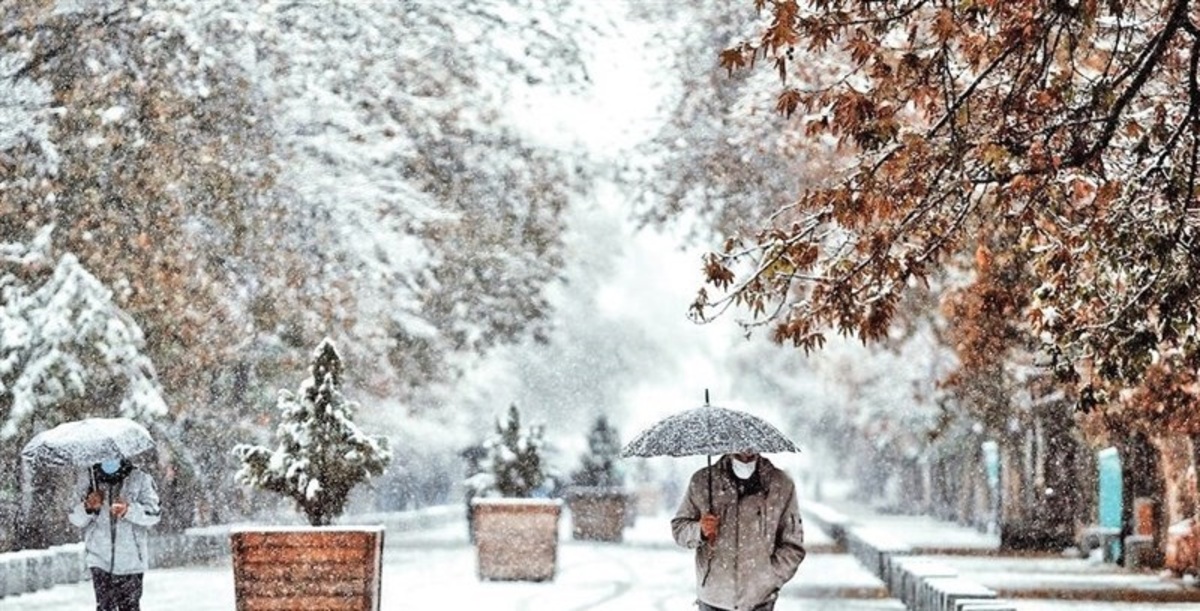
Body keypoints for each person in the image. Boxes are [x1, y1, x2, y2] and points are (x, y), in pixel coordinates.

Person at [671, 452, 806, 611]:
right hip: (713, 599)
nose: (745, 453)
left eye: (750, 448)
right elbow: (679, 529)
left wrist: (770, 577)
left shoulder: (781, 485)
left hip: (760, 602)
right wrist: (699, 529)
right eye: (739, 448)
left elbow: (793, 545)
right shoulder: (702, 481)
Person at [68, 457, 161, 611]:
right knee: (105, 607)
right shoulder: (88, 479)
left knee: (129, 607)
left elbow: (154, 514)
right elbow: (74, 517)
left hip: (131, 562)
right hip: (99, 559)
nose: (109, 459)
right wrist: (88, 507)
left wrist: (129, 510)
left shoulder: (140, 478)